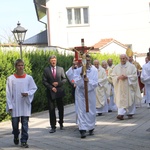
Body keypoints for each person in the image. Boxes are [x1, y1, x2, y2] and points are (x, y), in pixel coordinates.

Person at [6, 59, 37, 148]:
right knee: (15, 124)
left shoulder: (29, 78)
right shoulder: (11, 78)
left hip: (24, 104)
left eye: (22, 65)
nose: (20, 67)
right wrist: (10, 105)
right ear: (16, 66)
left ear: (24, 66)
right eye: (19, 65)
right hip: (15, 104)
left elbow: (33, 88)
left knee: (25, 123)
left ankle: (24, 140)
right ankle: (16, 135)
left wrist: (28, 93)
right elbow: (8, 93)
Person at [70, 54, 98, 138]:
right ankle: (82, 129)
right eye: (85, 61)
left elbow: (96, 83)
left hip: (90, 92)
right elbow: (75, 81)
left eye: (88, 60)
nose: (87, 62)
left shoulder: (94, 70)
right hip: (81, 92)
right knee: (81, 110)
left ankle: (91, 127)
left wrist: (88, 81)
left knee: (91, 110)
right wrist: (81, 75)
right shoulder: (78, 70)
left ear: (90, 61)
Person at [111, 54, 142, 120]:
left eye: (124, 58)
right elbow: (113, 76)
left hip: (129, 86)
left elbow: (134, 76)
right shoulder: (116, 67)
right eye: (121, 58)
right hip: (120, 87)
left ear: (126, 59)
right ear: (119, 59)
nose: (122, 60)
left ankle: (130, 112)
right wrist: (118, 77)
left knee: (130, 98)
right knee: (120, 100)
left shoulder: (132, 67)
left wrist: (127, 77)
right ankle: (120, 114)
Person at [42, 55, 67, 133]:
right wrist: (51, 87)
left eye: (55, 60)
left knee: (61, 108)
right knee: (51, 109)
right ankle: (53, 126)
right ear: (50, 61)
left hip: (59, 91)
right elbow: (44, 81)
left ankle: (61, 123)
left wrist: (58, 83)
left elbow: (64, 79)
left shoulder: (60, 69)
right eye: (52, 60)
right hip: (50, 91)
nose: (53, 61)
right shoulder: (46, 70)